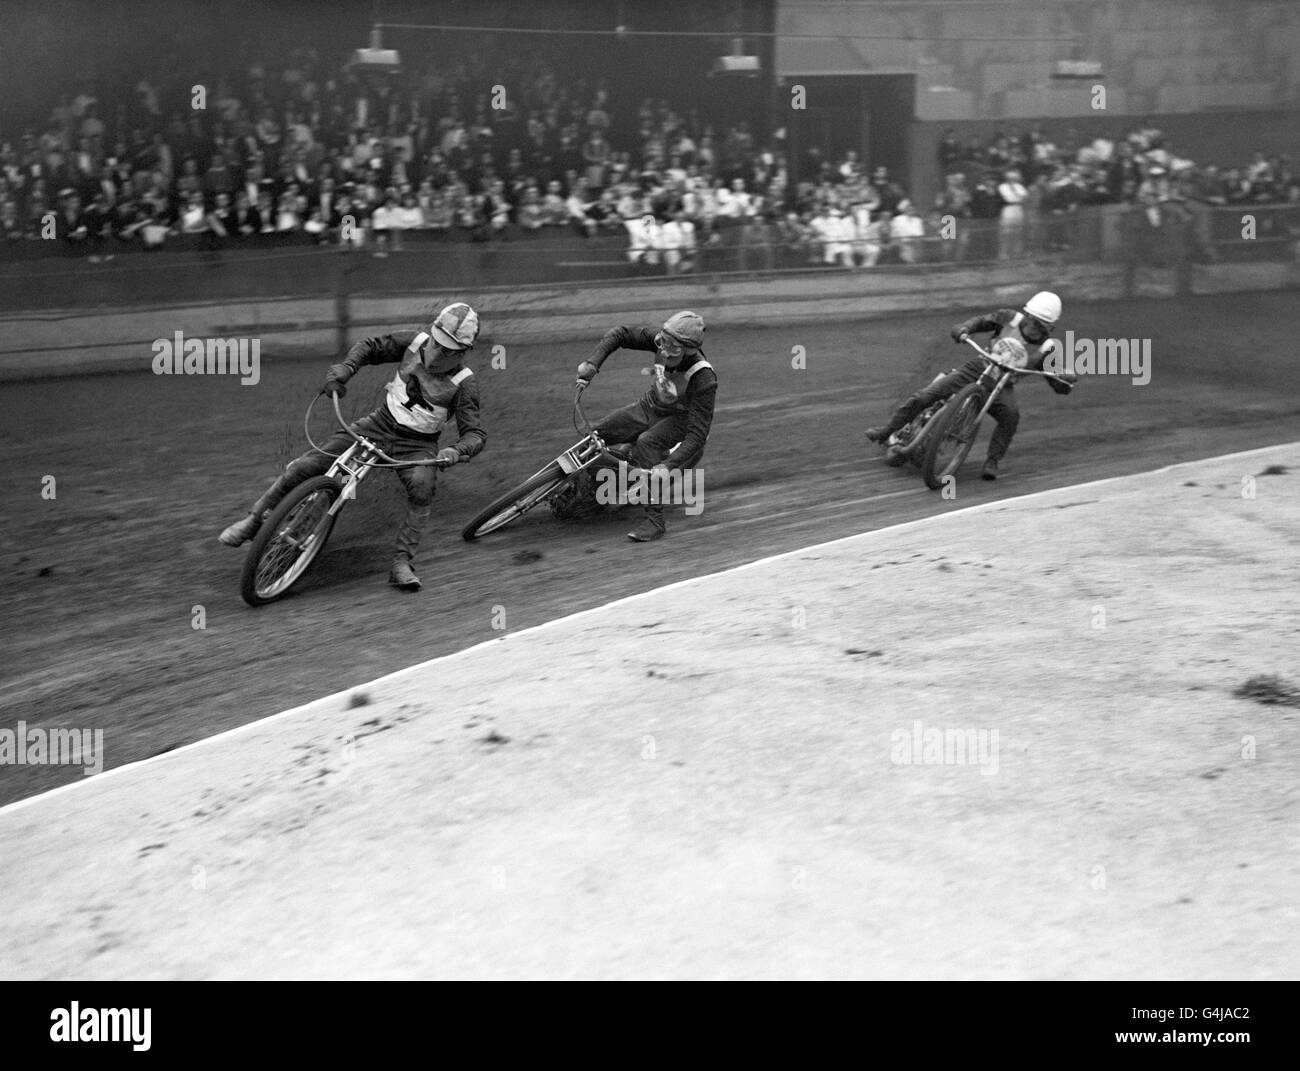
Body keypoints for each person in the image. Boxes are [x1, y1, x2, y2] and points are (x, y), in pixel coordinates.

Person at [218, 303, 486, 591]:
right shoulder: (413, 342)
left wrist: (456, 451)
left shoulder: (464, 384)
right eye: (437, 342)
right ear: (431, 333)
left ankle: (402, 561)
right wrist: (345, 369)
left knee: (422, 487)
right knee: (307, 465)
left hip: (416, 446)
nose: (436, 353)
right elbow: (370, 346)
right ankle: (254, 520)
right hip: (377, 425)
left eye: (448, 351)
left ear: (462, 353)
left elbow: (475, 434)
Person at [865, 291, 1076, 480]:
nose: (1033, 328)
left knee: (1011, 416)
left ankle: (992, 461)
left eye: (1040, 325)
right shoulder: (1008, 318)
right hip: (977, 368)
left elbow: (1056, 380)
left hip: (1002, 387)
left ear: (1049, 327)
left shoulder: (1048, 348)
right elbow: (982, 321)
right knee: (924, 396)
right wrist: (965, 328)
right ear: (1027, 314)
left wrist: (1064, 382)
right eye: (1032, 320)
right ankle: (887, 431)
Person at [573, 311, 718, 541]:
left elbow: (698, 435)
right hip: (649, 407)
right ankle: (588, 488)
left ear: (688, 350)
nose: (664, 350)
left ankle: (654, 521)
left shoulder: (704, 379)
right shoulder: (662, 342)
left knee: (647, 443)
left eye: (673, 348)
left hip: (680, 421)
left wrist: (668, 465)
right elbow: (620, 333)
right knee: (593, 434)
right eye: (663, 341)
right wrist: (592, 363)